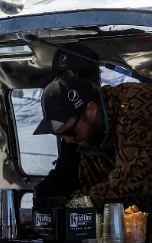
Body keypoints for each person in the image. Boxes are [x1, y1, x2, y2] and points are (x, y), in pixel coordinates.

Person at [32, 73, 152, 226]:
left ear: (91, 109)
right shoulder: (92, 136)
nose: (68, 140)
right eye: (59, 135)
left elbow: (133, 185)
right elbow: (91, 189)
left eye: (69, 131)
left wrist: (66, 213)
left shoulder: (139, 106)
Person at [34, 45, 103, 204]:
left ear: (70, 75)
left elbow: (67, 174)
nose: (69, 138)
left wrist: (42, 194)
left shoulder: (81, 122)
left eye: (59, 80)